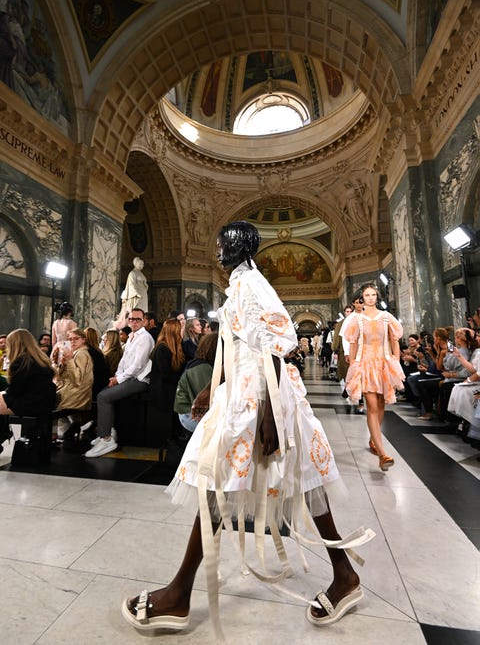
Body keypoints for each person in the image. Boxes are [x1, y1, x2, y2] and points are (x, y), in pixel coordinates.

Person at [122, 221, 373, 638]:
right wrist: (212, 388)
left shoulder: (251, 284)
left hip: (260, 398)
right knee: (259, 483)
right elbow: (243, 345)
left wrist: (271, 414)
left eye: (222, 243)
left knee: (231, 482)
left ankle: (179, 593)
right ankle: (342, 575)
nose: (217, 249)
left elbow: (280, 340)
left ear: (239, 246)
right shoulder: (241, 283)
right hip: (245, 391)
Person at [344, 282, 404, 471]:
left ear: (377, 297)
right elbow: (353, 343)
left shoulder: (387, 318)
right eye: (367, 295)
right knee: (371, 406)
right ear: (362, 298)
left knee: (381, 404)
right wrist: (353, 364)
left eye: (373, 295)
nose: (370, 298)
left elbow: (394, 340)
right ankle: (382, 454)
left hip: (383, 364)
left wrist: (396, 359)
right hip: (366, 364)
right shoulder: (357, 320)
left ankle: (373, 439)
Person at [86, 308, 154, 458]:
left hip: (140, 380)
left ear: (144, 321)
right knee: (101, 391)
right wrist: (116, 377)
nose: (134, 322)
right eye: (131, 319)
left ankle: (106, 439)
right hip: (128, 377)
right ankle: (109, 430)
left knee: (104, 397)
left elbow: (138, 365)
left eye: (137, 319)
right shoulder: (131, 336)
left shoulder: (145, 338)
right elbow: (124, 361)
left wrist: (119, 379)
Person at [0, 329, 56, 452]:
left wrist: (4, 393)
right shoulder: (40, 359)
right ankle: (3, 434)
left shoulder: (21, 362)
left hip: (31, 403)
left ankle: (2, 434)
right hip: (45, 401)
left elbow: (15, 391)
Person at [149, 318, 186, 459]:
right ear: (174, 331)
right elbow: (165, 374)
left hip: (169, 387)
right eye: (180, 329)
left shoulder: (174, 346)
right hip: (162, 390)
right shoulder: (162, 348)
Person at [52, 328, 94, 443]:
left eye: (76, 338)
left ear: (83, 340)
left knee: (49, 401)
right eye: (69, 339)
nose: (72, 341)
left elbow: (77, 380)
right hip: (71, 391)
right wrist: (59, 362)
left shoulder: (81, 354)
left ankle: (53, 434)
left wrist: (69, 360)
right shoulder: (74, 352)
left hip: (76, 393)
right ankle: (62, 433)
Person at [174, 332, 218, 433]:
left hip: (190, 412)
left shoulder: (200, 364)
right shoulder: (202, 368)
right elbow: (209, 399)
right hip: (189, 414)